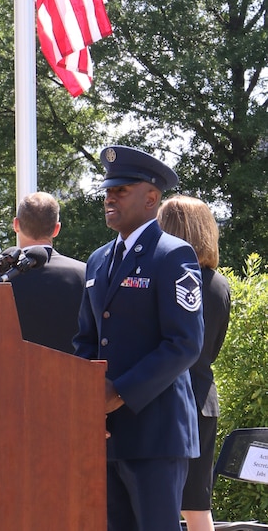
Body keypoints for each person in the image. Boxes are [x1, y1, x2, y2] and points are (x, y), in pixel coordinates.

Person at [73, 145, 204, 531]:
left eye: (122, 190)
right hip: (108, 437)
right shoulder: (97, 260)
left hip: (156, 435)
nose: (109, 197)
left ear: (151, 198)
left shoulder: (173, 255)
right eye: (108, 190)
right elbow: (86, 340)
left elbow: (185, 343)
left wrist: (120, 392)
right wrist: (86, 402)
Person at [158, 195, 231, 531]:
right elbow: (212, 347)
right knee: (198, 508)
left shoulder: (161, 278)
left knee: (154, 505)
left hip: (161, 399)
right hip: (202, 400)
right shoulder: (218, 285)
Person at [9, 191, 86, 354]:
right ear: (56, 229)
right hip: (74, 376)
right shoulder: (85, 274)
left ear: (16, 224)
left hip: (12, 376)